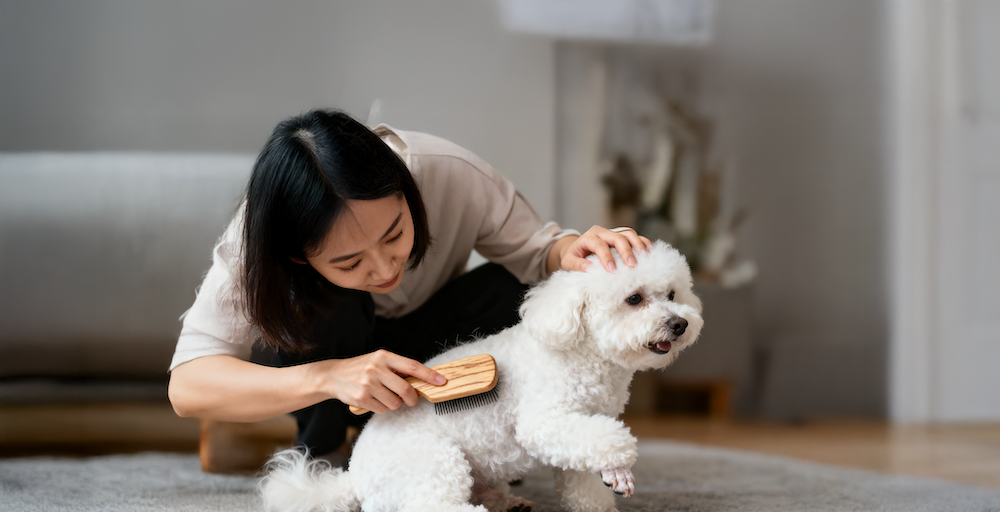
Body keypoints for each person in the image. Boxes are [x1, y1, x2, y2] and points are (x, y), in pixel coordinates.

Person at [168, 109, 650, 461]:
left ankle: (479, 446)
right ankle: (327, 451)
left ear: (406, 189)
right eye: (350, 260)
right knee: (318, 302)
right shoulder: (258, 239)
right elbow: (187, 386)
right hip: (331, 373)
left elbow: (537, 249)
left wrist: (574, 252)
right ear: (297, 251)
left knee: (519, 289)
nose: (383, 269)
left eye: (395, 233)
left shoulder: (446, 170)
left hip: (429, 366)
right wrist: (329, 377)